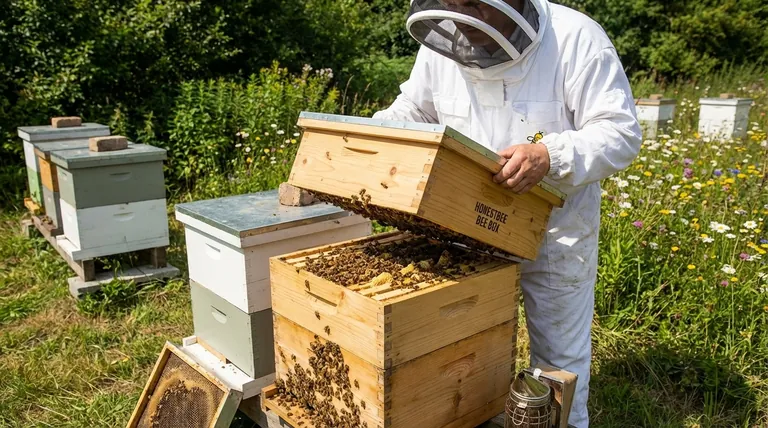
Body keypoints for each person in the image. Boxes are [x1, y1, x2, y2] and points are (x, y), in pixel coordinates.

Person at [371, 0, 642, 426]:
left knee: (559, 352)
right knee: (458, 345)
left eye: (477, 4)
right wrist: (371, 136)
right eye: (455, 4)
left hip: (554, 228)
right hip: (464, 223)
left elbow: (620, 132)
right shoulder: (441, 46)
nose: (467, 18)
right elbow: (414, 111)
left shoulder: (576, 38)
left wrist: (549, 156)